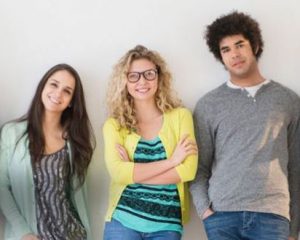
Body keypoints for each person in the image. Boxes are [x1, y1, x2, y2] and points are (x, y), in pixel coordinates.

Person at [190, 11, 300, 240]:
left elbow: (296, 168)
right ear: (220, 56)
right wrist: (205, 212)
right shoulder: (208, 104)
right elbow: (199, 168)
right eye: (226, 49)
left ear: (255, 45)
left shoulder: (288, 100)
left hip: (272, 216)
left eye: (240, 45)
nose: (234, 54)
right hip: (222, 215)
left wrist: (293, 228)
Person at [103, 45, 198, 240]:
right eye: (133, 76)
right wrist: (171, 162)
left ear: (159, 77)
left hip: (166, 225)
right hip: (123, 221)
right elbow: (119, 174)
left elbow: (187, 171)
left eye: (149, 74)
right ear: (125, 81)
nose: (142, 81)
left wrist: (134, 171)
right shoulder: (115, 125)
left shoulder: (181, 117)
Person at [0, 63, 95, 240]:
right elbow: (1, 187)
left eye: (67, 91)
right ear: (43, 86)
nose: (58, 93)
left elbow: (76, 198)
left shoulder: (73, 142)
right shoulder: (11, 133)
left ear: (71, 102)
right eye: (54, 84)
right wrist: (24, 233)